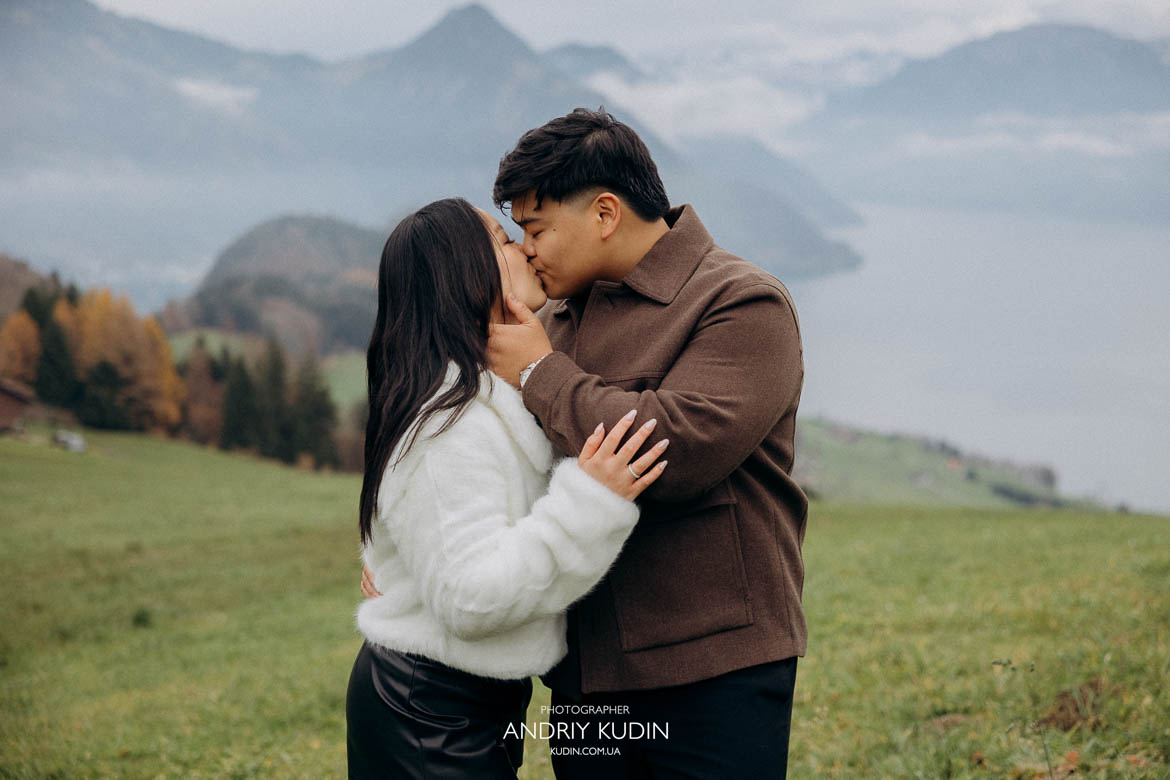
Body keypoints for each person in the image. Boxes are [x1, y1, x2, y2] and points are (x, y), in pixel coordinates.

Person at [485, 108, 808, 778]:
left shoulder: (742, 303)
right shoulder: (552, 319)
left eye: (535, 227)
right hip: (582, 677)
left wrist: (541, 373)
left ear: (604, 213)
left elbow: (671, 452)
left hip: (713, 673)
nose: (526, 249)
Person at [346, 196, 670, 780]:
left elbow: (443, 522)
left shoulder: (474, 399)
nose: (523, 247)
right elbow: (470, 598)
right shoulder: (451, 424)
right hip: (430, 710)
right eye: (500, 240)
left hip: (459, 701)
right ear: (461, 277)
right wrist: (590, 498)